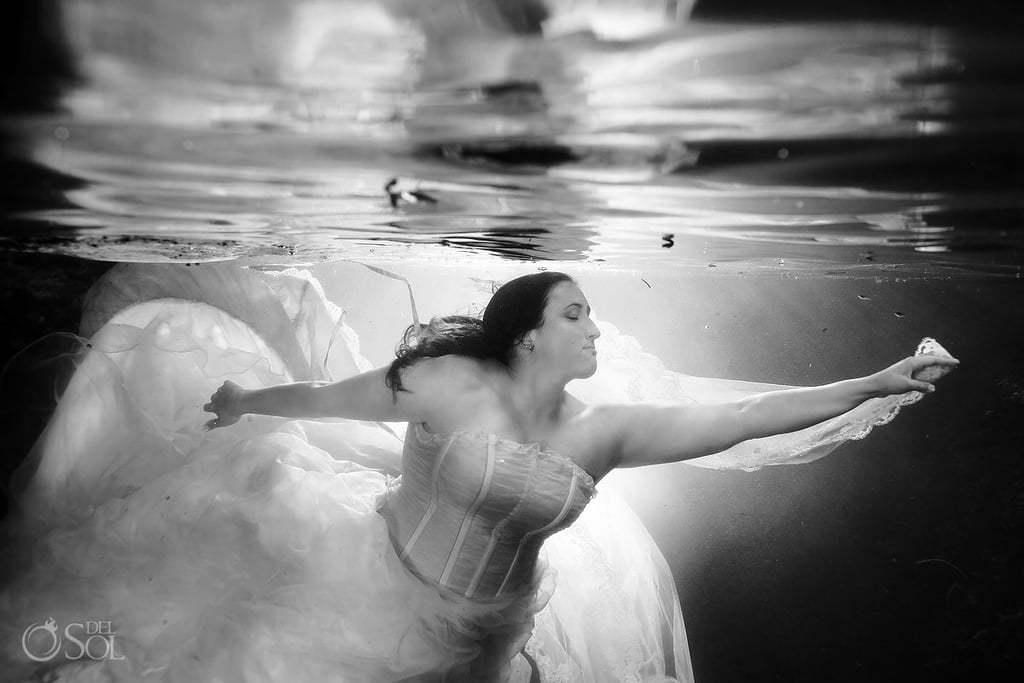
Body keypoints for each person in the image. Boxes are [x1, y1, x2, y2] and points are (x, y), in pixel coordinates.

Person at [1, 264, 956, 683]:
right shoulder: (450, 384)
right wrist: (249, 404)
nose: (593, 329)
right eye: (576, 313)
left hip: (487, 634)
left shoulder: (607, 431)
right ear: (530, 329)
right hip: (373, 590)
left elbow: (742, 418)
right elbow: (338, 398)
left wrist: (871, 380)